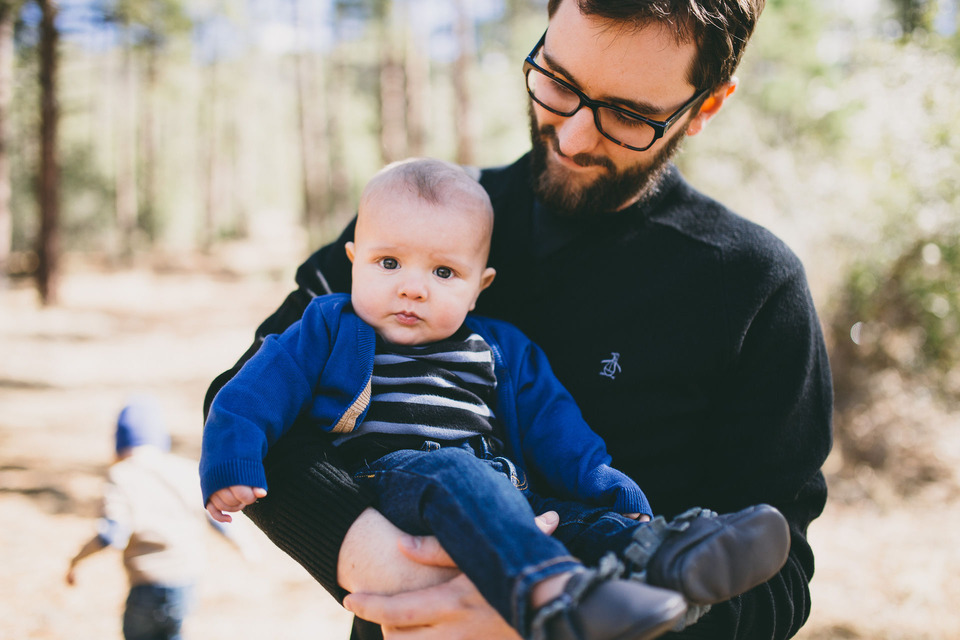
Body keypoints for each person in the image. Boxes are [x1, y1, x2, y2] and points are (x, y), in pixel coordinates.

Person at [203, 1, 834, 639]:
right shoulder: (417, 226)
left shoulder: (753, 286)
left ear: (706, 106)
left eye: (628, 115)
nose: (573, 136)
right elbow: (243, 396)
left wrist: (551, 621)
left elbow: (779, 583)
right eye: (557, 83)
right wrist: (391, 565)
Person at [67, 395, 249, 640]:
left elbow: (112, 534)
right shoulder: (185, 470)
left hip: (147, 586)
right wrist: (246, 548)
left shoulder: (121, 475)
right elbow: (217, 517)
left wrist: (76, 561)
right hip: (185, 585)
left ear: (119, 441)